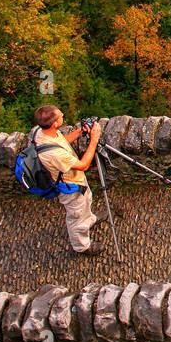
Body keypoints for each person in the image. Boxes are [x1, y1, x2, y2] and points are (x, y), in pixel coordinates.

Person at [31, 104, 105, 256]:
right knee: (76, 216)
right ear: (55, 124)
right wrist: (94, 140)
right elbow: (83, 165)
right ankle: (82, 246)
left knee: (86, 203)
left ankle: (89, 219)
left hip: (76, 181)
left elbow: (61, 141)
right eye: (60, 115)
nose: (63, 114)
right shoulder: (55, 155)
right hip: (71, 187)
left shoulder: (42, 133)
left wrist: (79, 132)